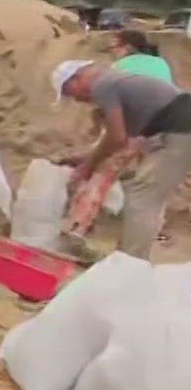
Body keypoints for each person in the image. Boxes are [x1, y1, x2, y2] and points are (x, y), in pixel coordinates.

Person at [55, 59, 191, 258]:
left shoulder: (103, 85)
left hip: (180, 127)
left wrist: (89, 165)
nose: (76, 99)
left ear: (77, 78)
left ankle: (130, 262)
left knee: (142, 195)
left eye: (69, 92)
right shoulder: (117, 81)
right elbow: (127, 141)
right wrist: (83, 159)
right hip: (177, 125)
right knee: (150, 193)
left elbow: (116, 137)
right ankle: (130, 254)